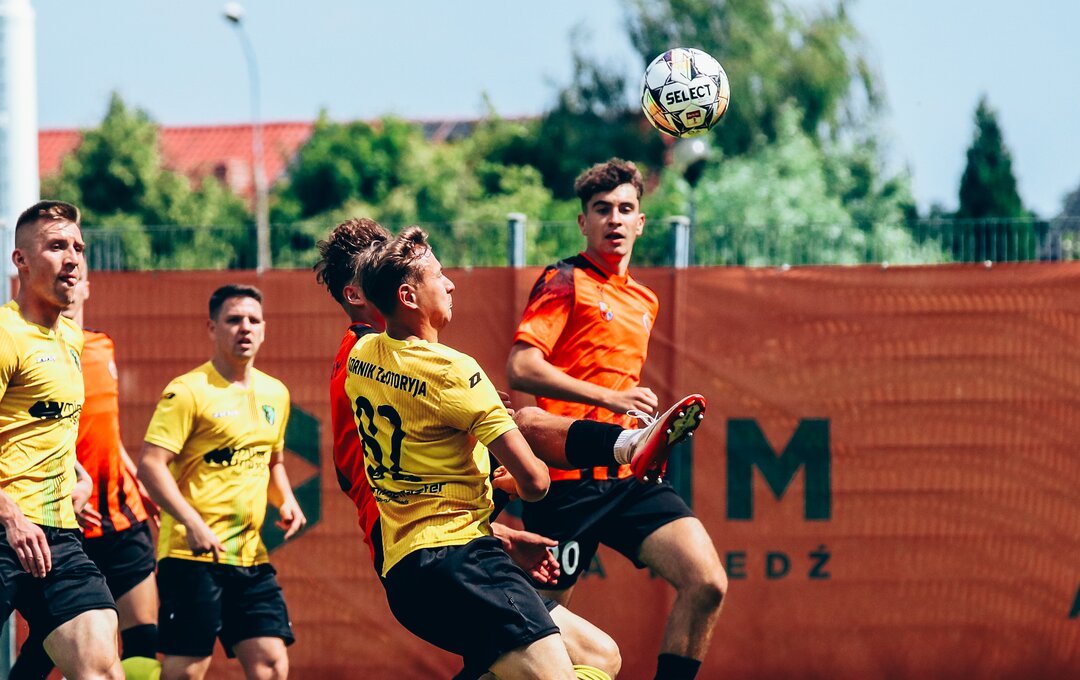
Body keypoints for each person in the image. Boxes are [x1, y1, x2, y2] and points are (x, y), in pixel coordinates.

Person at [506, 159, 727, 680]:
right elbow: (522, 366)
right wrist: (612, 397)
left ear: (641, 222)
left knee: (707, 583)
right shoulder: (565, 280)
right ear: (583, 221)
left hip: (629, 478)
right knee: (532, 636)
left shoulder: (645, 299)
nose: (615, 219)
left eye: (626, 209)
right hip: (566, 483)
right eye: (602, 209)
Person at [137, 284, 305, 680]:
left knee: (271, 664)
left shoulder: (276, 393)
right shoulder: (188, 391)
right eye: (233, 320)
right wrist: (192, 523)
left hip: (250, 556)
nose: (245, 327)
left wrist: (286, 499)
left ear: (264, 329)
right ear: (212, 328)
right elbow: (150, 466)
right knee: (186, 671)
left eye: (253, 320)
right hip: (191, 556)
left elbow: (273, 462)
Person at [11, 272, 160, 679]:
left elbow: (105, 430)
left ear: (88, 286)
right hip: (60, 520)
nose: (69, 280)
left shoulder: (100, 344)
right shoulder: (23, 343)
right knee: (50, 648)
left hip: (121, 515)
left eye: (77, 269)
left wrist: (135, 478)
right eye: (57, 261)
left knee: (142, 639)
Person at [0, 200, 124, 680]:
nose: (72, 258)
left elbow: (46, 424)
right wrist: (11, 517)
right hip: (6, 526)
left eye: (78, 248)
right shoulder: (5, 335)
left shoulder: (71, 339)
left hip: (57, 535)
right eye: (56, 246)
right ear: (21, 260)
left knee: (102, 669)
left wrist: (78, 475)